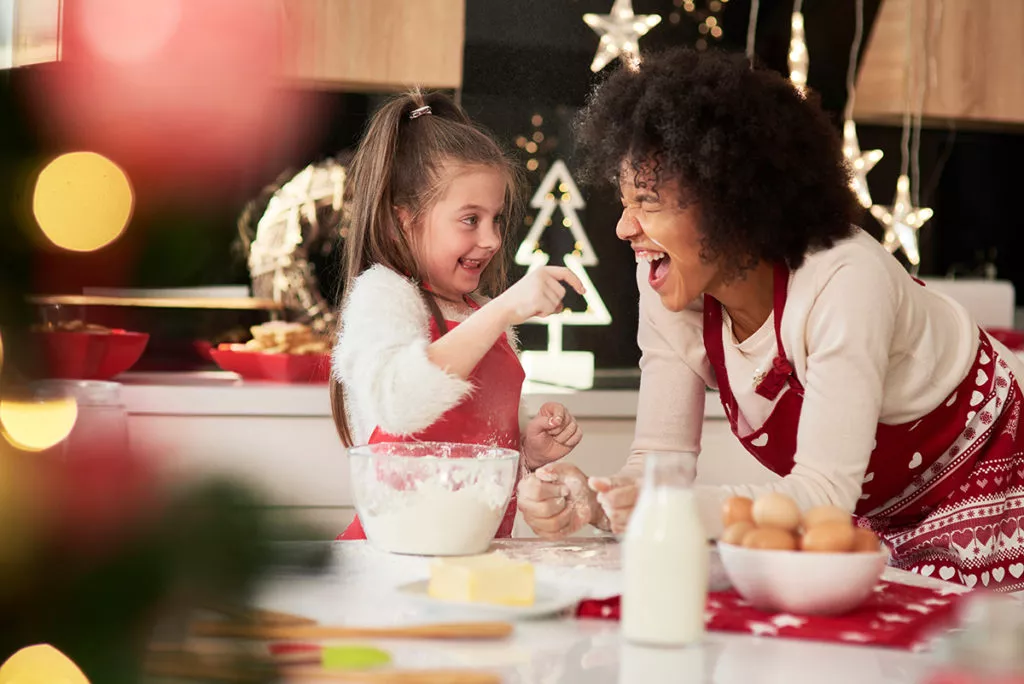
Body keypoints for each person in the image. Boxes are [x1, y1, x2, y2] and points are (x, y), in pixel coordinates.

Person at [517, 48, 1024, 592]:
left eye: (648, 201)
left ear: (733, 202)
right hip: (861, 513)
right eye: (624, 201)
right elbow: (660, 460)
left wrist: (676, 507)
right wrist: (601, 500)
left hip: (986, 480)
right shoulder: (668, 280)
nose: (623, 229)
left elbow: (824, 493)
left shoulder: (844, 279)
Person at [331, 91, 586, 541]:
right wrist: (505, 307)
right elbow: (401, 404)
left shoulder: (483, 314)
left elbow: (479, 446)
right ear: (403, 221)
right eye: (470, 219)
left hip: (473, 556)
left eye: (497, 219)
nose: (490, 239)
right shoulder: (384, 294)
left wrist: (527, 449)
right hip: (394, 561)